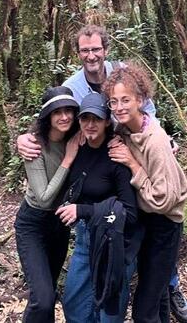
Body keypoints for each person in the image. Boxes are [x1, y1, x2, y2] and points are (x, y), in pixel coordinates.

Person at [17, 24, 187, 323]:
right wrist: (25, 138)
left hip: (142, 188)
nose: (91, 55)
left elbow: (147, 118)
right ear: (78, 53)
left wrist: (159, 144)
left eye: (96, 49)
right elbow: (56, 114)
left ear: (106, 50)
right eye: (85, 50)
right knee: (83, 294)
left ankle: (171, 288)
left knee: (152, 274)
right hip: (112, 188)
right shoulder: (74, 86)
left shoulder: (125, 78)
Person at [104, 63, 187, 323]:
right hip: (145, 221)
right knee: (158, 292)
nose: (119, 107)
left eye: (125, 100)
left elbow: (164, 200)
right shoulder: (124, 130)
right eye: (113, 101)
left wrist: (132, 163)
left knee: (144, 307)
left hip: (165, 224)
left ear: (140, 100)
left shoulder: (155, 139)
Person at [55, 92, 139, 323]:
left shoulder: (116, 153)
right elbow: (48, 128)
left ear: (107, 121)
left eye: (97, 119)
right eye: (85, 119)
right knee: (73, 305)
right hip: (85, 238)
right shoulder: (76, 144)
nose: (90, 125)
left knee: (108, 312)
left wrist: (81, 210)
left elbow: (130, 213)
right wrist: (25, 139)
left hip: (115, 242)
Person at [14, 86, 80, 323]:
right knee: (42, 298)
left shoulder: (77, 138)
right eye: (57, 112)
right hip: (33, 224)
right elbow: (44, 197)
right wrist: (69, 158)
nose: (64, 117)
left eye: (68, 111)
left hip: (59, 225)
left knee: (47, 295)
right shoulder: (34, 145)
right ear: (48, 116)